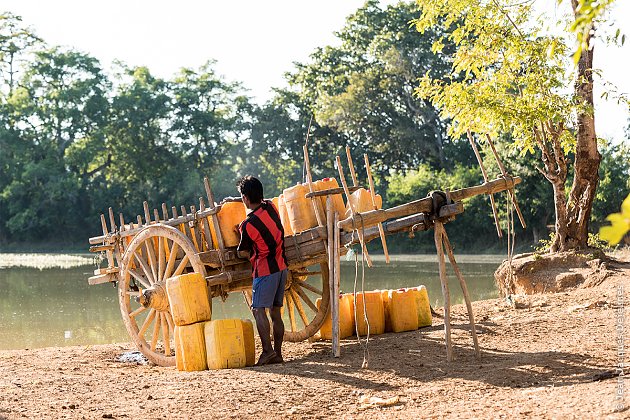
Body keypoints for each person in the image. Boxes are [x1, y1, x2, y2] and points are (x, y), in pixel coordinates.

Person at [235, 176, 287, 366]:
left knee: (258, 310)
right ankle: (278, 353)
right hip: (282, 267)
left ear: (246, 198)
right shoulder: (271, 207)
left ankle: (267, 352)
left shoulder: (247, 225)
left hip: (265, 271)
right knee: (275, 312)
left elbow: (242, 251)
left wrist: (238, 234)